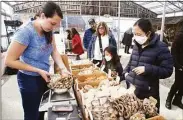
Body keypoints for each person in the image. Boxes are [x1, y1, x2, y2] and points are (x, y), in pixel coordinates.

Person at [5, 2, 70, 120]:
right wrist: (37, 70)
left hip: (44, 76)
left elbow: (54, 50)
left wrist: (63, 68)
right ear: (43, 16)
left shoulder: (47, 30)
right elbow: (9, 61)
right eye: (53, 23)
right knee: (32, 115)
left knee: (42, 111)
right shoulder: (25, 32)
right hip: (29, 79)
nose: (53, 28)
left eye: (56, 25)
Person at [123, 18, 173, 113]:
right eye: (134, 34)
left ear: (148, 33)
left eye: (139, 34)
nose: (135, 37)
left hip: (149, 92)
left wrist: (148, 69)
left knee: (149, 115)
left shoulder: (161, 48)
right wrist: (125, 73)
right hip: (133, 90)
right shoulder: (136, 45)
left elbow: (168, 70)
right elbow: (131, 62)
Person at [165, 25, 183, 110]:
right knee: (178, 83)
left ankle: (177, 100)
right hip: (180, 64)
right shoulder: (180, 35)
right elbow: (173, 51)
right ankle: (169, 98)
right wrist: (177, 64)